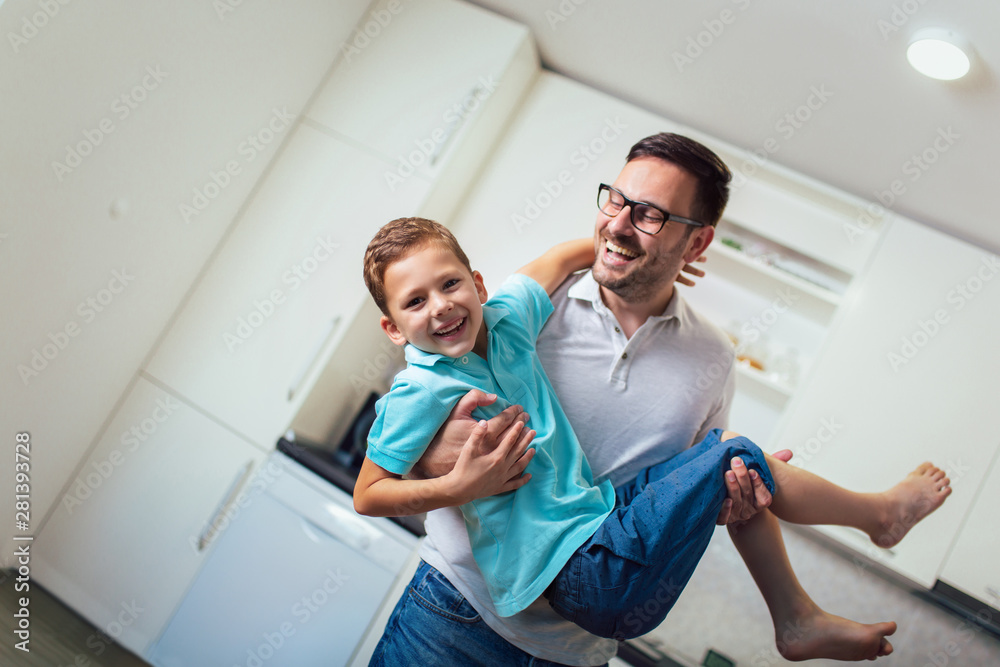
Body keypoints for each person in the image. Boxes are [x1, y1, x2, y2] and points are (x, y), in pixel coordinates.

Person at [365, 133, 952, 666]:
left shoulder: (712, 359)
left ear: (697, 241)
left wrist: (731, 502)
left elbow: (704, 487)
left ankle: (802, 608)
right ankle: (867, 527)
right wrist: (440, 464)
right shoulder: (519, 315)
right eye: (615, 201)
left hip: (577, 647)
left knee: (733, 459)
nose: (619, 224)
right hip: (454, 617)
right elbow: (415, 422)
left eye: (649, 215)